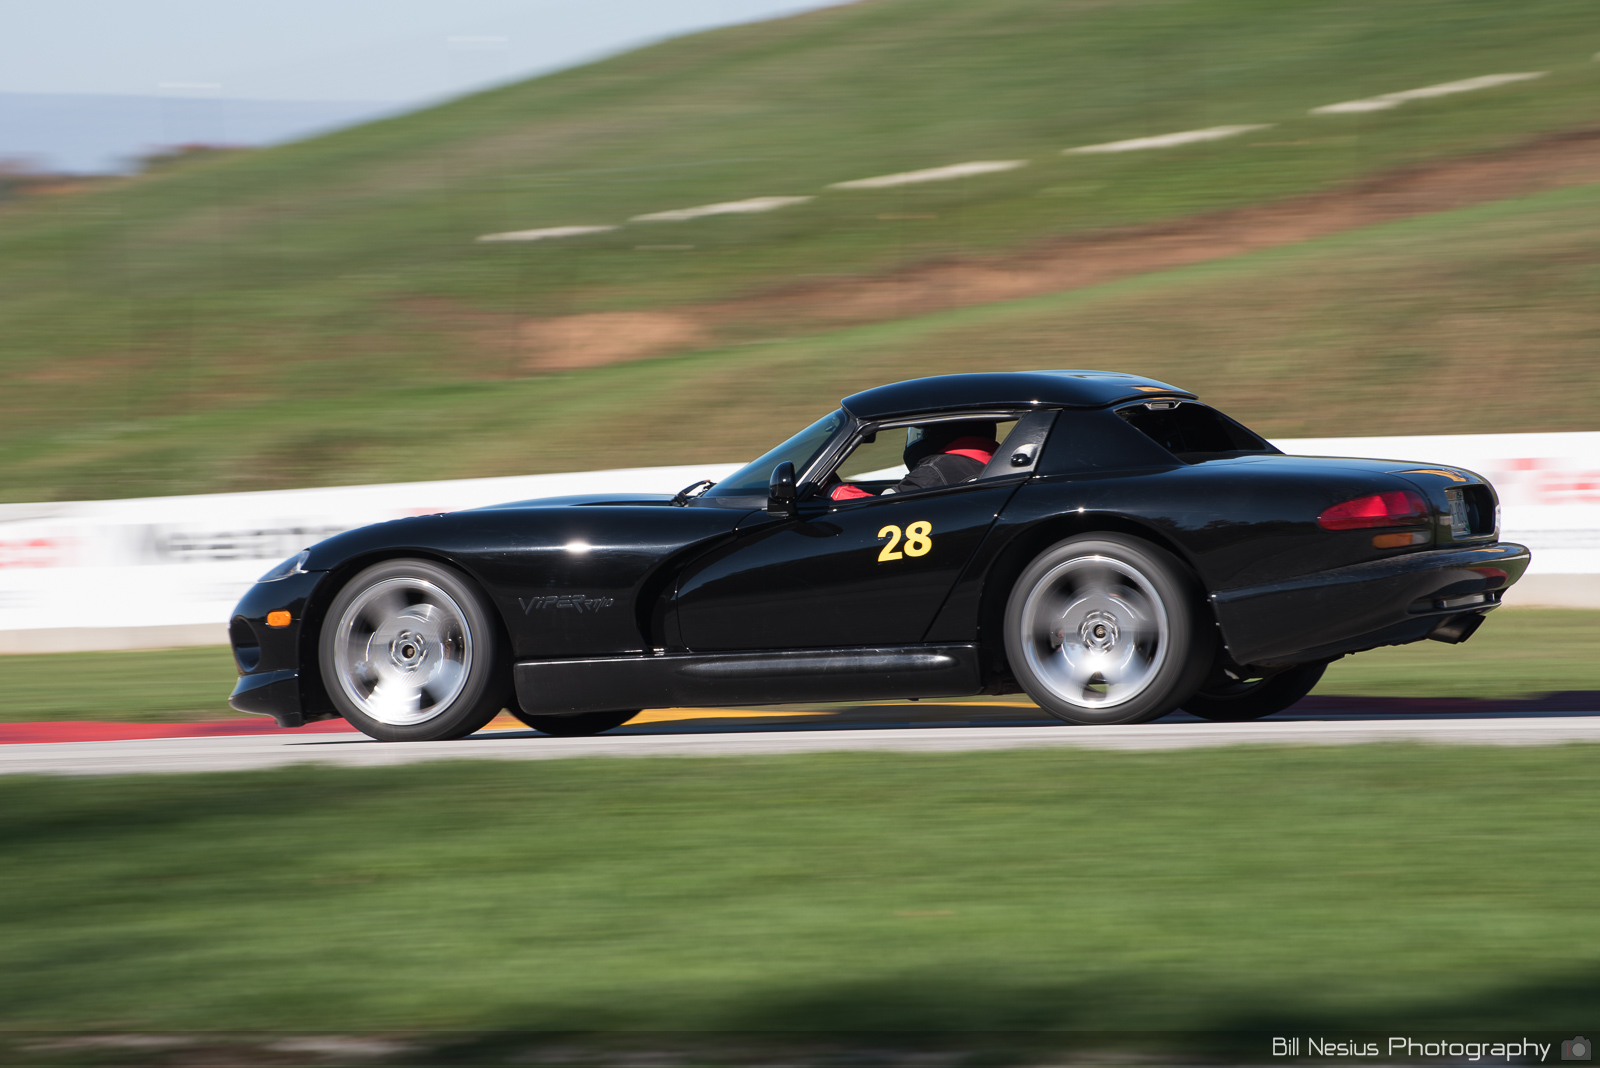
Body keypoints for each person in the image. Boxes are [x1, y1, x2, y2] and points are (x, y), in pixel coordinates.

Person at [830, 420, 1001, 501]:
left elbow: (879, 512)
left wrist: (833, 490)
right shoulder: (1000, 462)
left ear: (941, 432)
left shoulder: (937, 470)